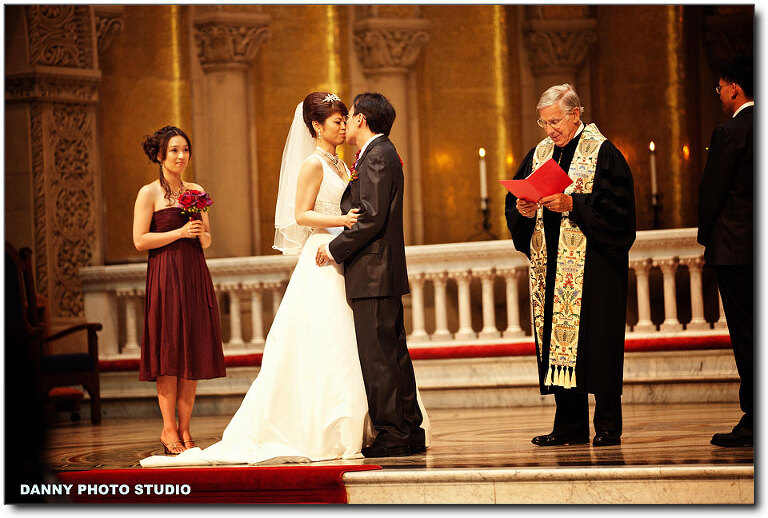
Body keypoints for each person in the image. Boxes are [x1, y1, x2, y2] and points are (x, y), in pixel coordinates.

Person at [140, 92, 429, 467]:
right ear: (316, 127)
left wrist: (344, 234)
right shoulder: (312, 163)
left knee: (365, 348)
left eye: (347, 118)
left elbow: (365, 212)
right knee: (331, 342)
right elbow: (301, 215)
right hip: (326, 253)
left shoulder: (348, 163)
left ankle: (378, 425)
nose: (344, 126)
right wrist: (340, 224)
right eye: (337, 121)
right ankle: (340, 425)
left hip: (346, 256)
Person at [504, 84, 636, 447]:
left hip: (596, 270)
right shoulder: (539, 155)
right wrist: (522, 209)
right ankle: (569, 425)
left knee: (600, 344)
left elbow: (620, 213)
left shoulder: (604, 153)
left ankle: (607, 425)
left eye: (555, 122)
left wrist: (574, 204)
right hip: (552, 269)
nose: (549, 130)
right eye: (544, 123)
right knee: (558, 343)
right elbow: (514, 200)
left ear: (575, 114)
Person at [315, 93, 426, 458]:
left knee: (379, 357)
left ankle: (393, 433)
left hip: (374, 270)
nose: (346, 123)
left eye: (349, 116)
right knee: (393, 354)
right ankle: (408, 429)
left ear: (361, 119)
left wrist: (334, 248)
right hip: (381, 270)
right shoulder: (380, 152)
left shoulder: (377, 154)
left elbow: (372, 216)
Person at [133, 126, 226, 455]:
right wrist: (180, 232)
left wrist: (199, 232)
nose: (181, 156)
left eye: (185, 149)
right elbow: (140, 240)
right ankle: (168, 428)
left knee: (192, 350)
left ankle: (186, 428)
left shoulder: (196, 191)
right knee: (169, 351)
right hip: (165, 276)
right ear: (160, 155)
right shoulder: (149, 193)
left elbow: (207, 240)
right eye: (174, 150)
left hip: (193, 273)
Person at [697, 57, 754, 448]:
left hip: (736, 250)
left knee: (748, 337)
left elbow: (712, 193)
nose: (719, 94)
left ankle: (755, 419)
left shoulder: (729, 132)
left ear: (734, 87)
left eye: (719, 88)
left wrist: (707, 239)